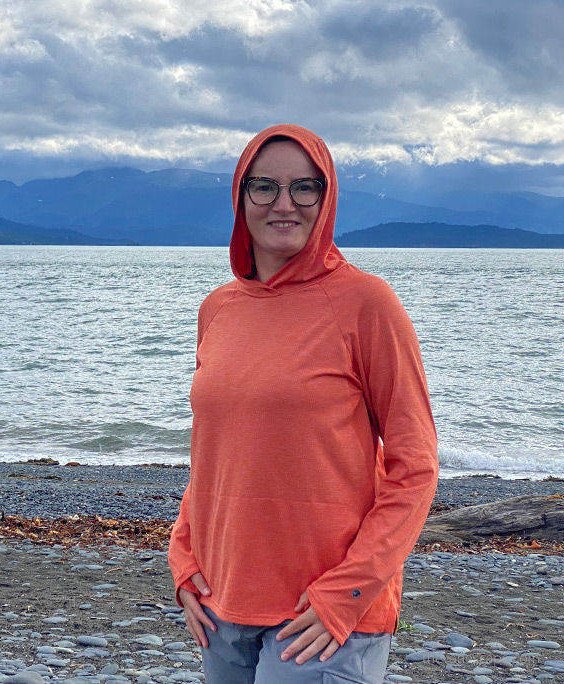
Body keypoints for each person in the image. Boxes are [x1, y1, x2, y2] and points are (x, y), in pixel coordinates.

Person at [167, 123, 439, 684]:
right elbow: (214, 454)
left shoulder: (368, 304)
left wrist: (349, 592)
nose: (284, 203)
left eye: (304, 187)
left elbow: (415, 467)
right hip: (223, 604)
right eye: (263, 186)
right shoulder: (218, 309)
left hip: (324, 616)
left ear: (327, 193)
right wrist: (183, 560)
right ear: (241, 198)